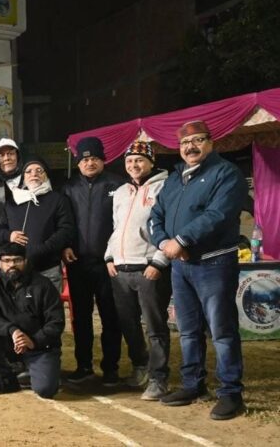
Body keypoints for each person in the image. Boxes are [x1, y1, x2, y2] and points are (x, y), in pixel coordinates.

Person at [149, 120, 247, 420]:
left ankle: (231, 393)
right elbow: (156, 215)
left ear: (211, 142)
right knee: (188, 330)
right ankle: (193, 384)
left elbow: (219, 214)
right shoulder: (175, 179)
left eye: (198, 140)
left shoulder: (226, 173)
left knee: (221, 330)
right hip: (182, 266)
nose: (190, 147)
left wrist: (181, 240)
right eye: (184, 143)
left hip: (214, 262)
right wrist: (164, 242)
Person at [104, 141, 172, 400]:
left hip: (148, 268)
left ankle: (158, 378)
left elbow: (169, 226)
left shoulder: (164, 187)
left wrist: (158, 261)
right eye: (129, 161)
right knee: (128, 325)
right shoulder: (121, 191)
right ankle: (140, 365)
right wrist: (110, 256)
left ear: (151, 162)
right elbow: (116, 227)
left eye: (140, 160)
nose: (134, 165)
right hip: (120, 268)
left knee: (155, 326)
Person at [61, 137, 126, 386]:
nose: (90, 163)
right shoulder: (68, 188)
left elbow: (122, 225)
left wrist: (114, 254)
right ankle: (84, 366)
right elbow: (64, 222)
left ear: (103, 160)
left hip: (108, 264)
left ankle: (111, 368)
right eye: (85, 159)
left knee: (111, 316)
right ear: (78, 163)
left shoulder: (118, 185)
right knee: (81, 318)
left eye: (95, 158)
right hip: (77, 263)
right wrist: (66, 245)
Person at [0, 243, 64, 399]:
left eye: (17, 260)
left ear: (25, 261)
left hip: (40, 346)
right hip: (11, 342)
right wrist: (13, 331)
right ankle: (8, 378)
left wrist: (33, 341)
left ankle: (37, 371)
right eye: (7, 261)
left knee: (46, 390)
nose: (12, 265)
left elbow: (56, 322)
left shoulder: (43, 284)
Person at [0, 156, 75, 293]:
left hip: (48, 268)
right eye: (29, 171)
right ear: (23, 177)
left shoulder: (58, 200)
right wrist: (9, 235)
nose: (34, 174)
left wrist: (42, 249)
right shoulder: (13, 202)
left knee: (50, 306)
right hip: (16, 270)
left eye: (39, 170)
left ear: (46, 175)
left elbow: (66, 230)